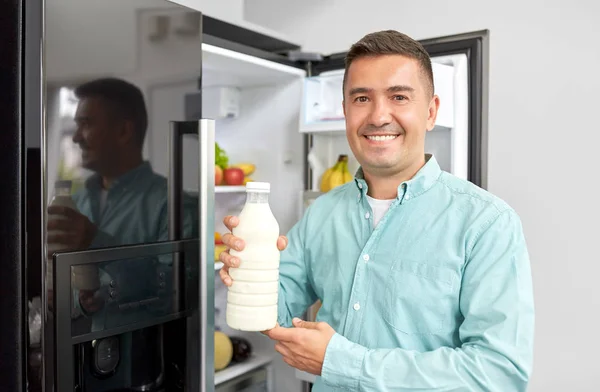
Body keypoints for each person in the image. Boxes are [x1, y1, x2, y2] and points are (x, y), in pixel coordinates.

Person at [219, 30, 535, 391]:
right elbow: (276, 306)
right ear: (345, 111)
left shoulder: (487, 223)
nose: (378, 116)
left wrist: (342, 363)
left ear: (431, 112)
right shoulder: (322, 213)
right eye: (361, 98)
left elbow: (499, 373)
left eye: (399, 96)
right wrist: (248, 274)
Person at [46, 77, 197, 390]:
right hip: (75, 373)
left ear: (124, 131)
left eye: (86, 124)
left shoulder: (174, 204)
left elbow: (177, 291)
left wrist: (95, 242)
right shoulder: (79, 201)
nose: (75, 138)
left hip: (143, 376)